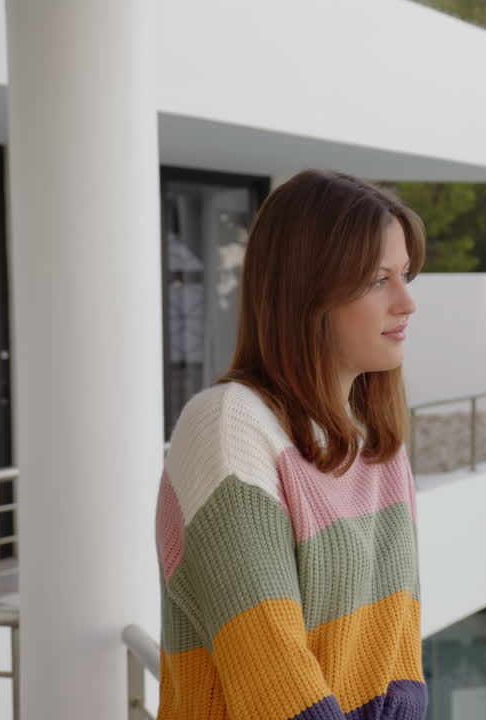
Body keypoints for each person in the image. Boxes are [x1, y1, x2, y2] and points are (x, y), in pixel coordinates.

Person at [154, 169, 427, 720]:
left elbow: (400, 668)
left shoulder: (376, 444)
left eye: (405, 275)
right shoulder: (228, 427)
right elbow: (275, 683)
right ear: (307, 294)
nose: (407, 302)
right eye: (379, 280)